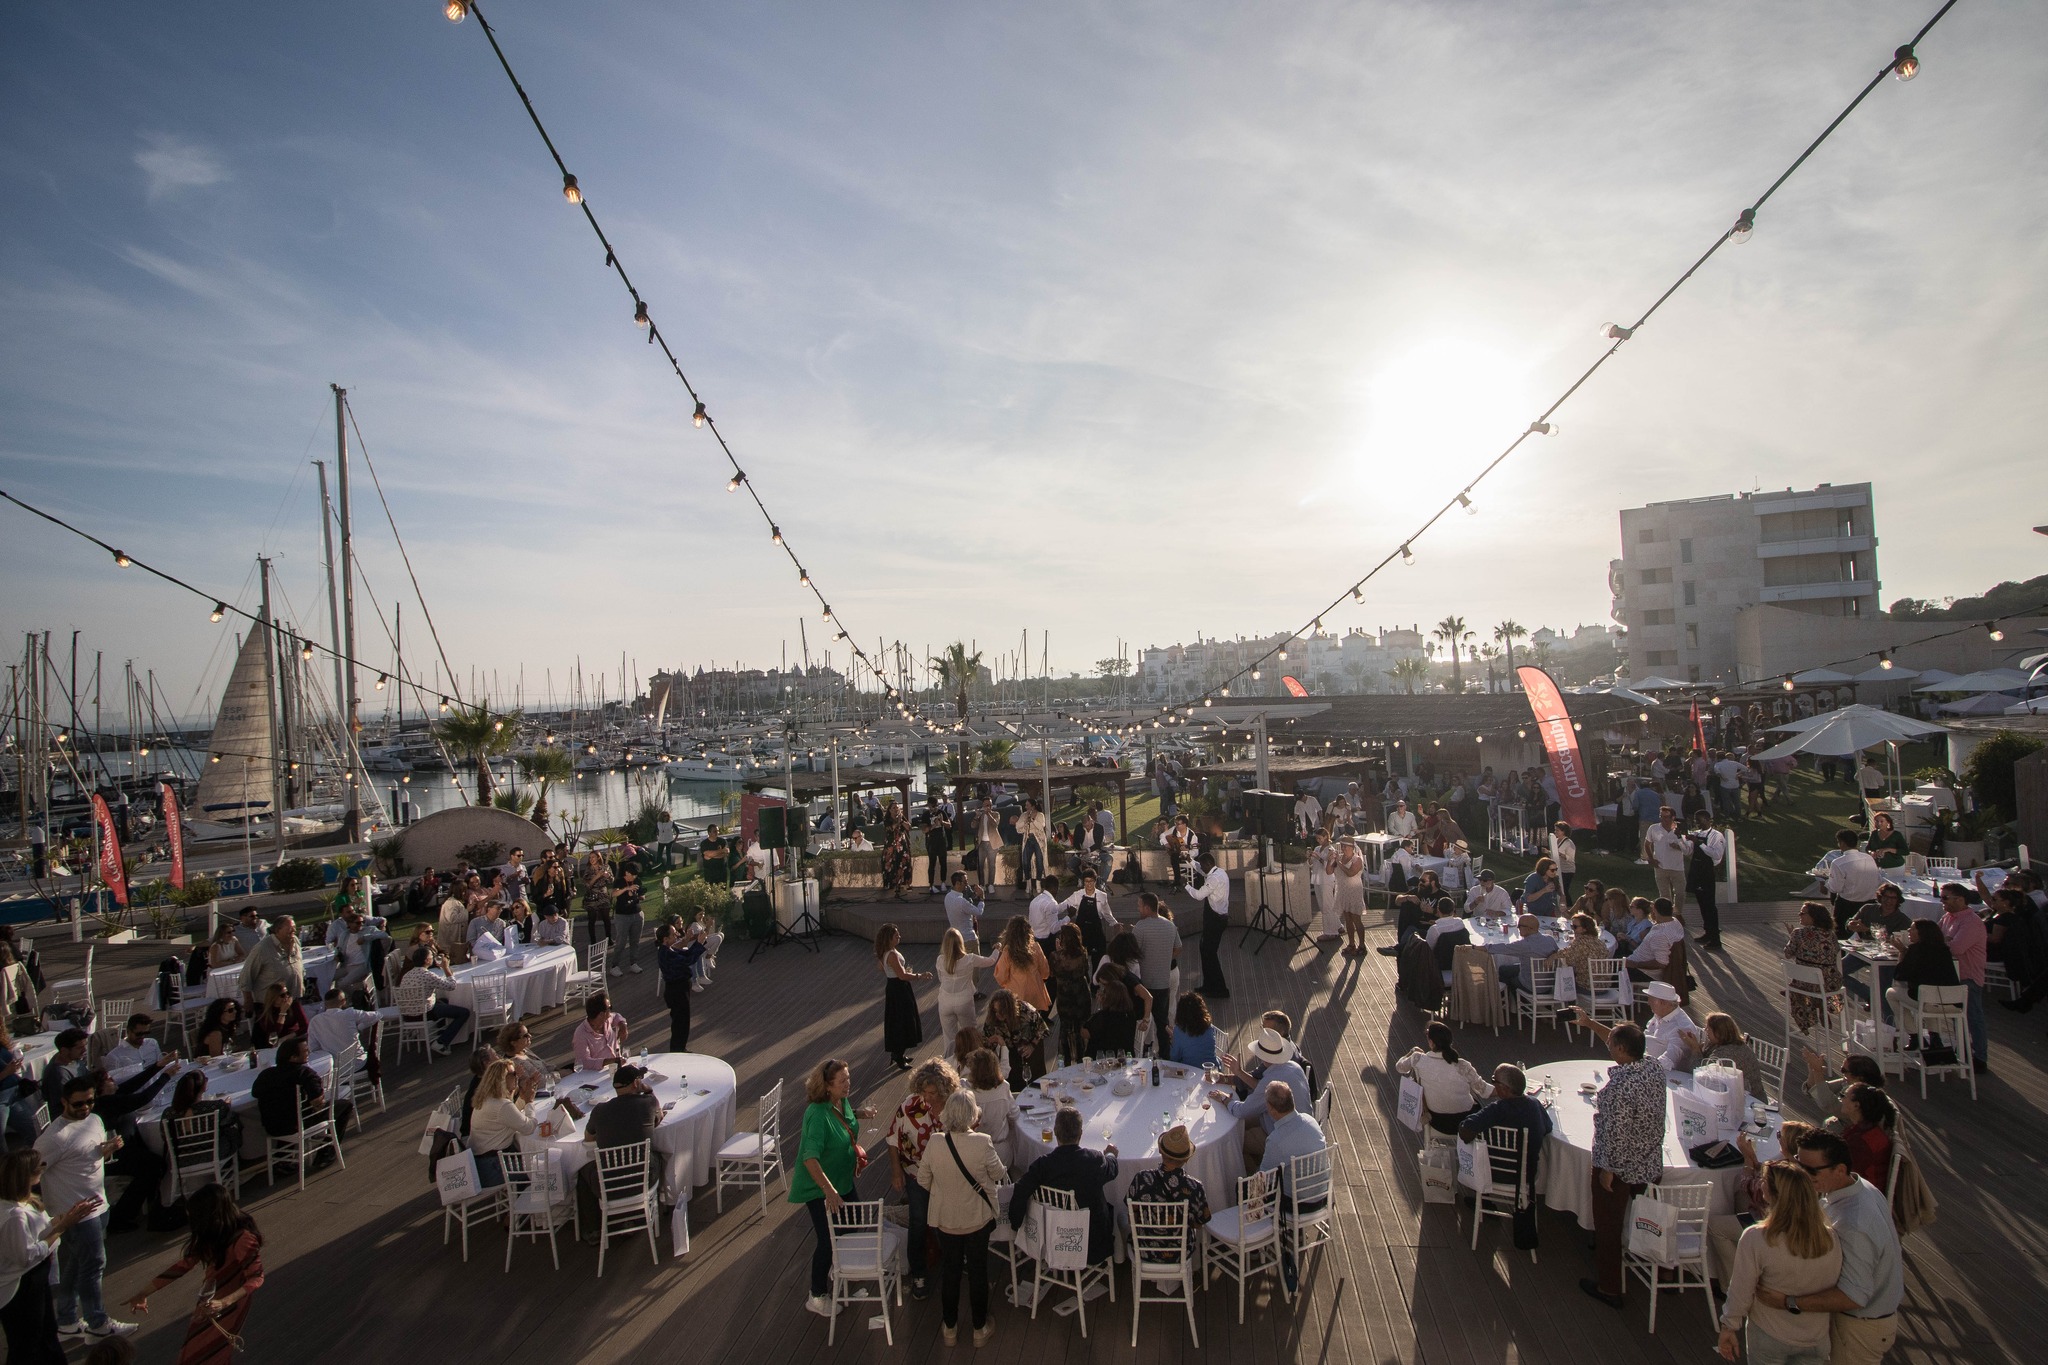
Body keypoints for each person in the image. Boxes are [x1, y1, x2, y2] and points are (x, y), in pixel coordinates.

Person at [1747, 1131, 1904, 1365]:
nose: (1801, 1174)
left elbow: (1854, 1296)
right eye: (1798, 1164)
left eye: (1811, 1171)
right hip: (1869, 1320)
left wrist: (1788, 1302)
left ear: (1839, 1170)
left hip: (1858, 1327)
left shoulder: (1853, 1223)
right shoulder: (1863, 1188)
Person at [1715, 1160, 1843, 1365]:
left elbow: (1741, 1289)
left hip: (1769, 1335)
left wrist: (1729, 1326)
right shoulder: (1829, 1238)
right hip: (1815, 1338)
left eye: (1764, 1180)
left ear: (1771, 1193)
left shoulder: (1757, 1238)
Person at [34, 1076, 132, 1338]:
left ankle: (65, 1320)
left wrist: (105, 1150)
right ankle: (97, 1323)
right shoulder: (53, 1138)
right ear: (64, 1102)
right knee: (93, 1265)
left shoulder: (94, 1121)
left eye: (90, 1101)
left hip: (99, 1203)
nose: (85, 1107)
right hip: (75, 1212)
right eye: (78, 1104)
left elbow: (88, 1154)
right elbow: (31, 1172)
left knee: (79, 1264)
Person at [1577, 1022, 1666, 1309]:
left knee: (1608, 1227)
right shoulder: (1653, 1069)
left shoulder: (1620, 1087)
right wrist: (1592, 1022)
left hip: (1620, 1170)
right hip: (1649, 1162)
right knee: (1652, 1219)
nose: (1609, 1046)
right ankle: (1663, 1272)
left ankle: (1610, 1287)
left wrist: (1608, 1170)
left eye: (1612, 1043)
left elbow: (1617, 1132)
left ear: (1621, 1050)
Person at [125, 1182, 265, 1363]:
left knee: (210, 1354)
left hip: (229, 1305)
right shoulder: (214, 1232)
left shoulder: (243, 1238)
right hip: (211, 1301)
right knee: (198, 1353)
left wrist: (224, 1302)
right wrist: (144, 1292)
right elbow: (183, 1265)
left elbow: (256, 1277)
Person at [916, 1089, 1007, 1346]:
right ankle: (979, 1328)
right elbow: (999, 1173)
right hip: (977, 1219)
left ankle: (950, 1328)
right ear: (971, 1115)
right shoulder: (982, 1141)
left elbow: (923, 1180)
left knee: (951, 1272)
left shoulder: (935, 1142)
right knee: (978, 1272)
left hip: (946, 1221)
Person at [791, 1058, 877, 1319]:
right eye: (842, 1081)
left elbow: (846, 1119)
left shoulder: (841, 1100)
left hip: (842, 1181)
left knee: (852, 1226)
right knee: (828, 1240)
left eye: (848, 1078)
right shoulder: (817, 1115)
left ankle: (843, 1274)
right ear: (827, 1087)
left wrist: (861, 1113)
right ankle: (816, 1295)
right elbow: (810, 1157)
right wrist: (828, 1191)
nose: (848, 1084)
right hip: (821, 1188)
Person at [0, 1149, 102, 1362]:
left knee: (46, 1337)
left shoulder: (24, 1203)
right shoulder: (14, 1216)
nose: (42, 1171)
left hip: (34, 1280)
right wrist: (62, 1227)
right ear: (25, 1176)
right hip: (21, 1286)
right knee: (27, 1345)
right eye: (38, 1169)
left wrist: (65, 1218)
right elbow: (26, 1256)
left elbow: (38, 1232)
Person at [1008, 1105, 1118, 1266]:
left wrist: (1016, 1224)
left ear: (1056, 1133)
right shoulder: (1093, 1160)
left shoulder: (1042, 1165)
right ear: (1081, 1133)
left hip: (1052, 1240)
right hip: (1092, 1245)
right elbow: (1112, 1169)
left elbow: (1020, 1189)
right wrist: (1110, 1154)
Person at [1457, 1064, 1551, 1249]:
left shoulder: (1497, 1110)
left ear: (1506, 1089)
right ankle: (1485, 1199)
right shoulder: (1535, 1105)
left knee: (1477, 1149)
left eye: (1495, 1081)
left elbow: (1465, 1130)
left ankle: (1483, 1197)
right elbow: (1548, 1128)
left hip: (1494, 1173)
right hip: (1527, 1174)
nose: (1493, 1084)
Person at [574, 1064, 661, 1242]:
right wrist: (649, 1090)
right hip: (642, 1180)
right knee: (659, 1155)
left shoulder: (600, 1110)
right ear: (637, 1083)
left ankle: (593, 1230)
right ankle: (653, 1209)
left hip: (608, 1185)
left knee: (582, 1170)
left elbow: (589, 1139)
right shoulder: (648, 1103)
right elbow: (658, 1119)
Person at [1221, 1029, 1313, 1169]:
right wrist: (1239, 1073)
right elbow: (1261, 1089)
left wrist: (1224, 1099)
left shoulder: (1270, 1079)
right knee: (1240, 1124)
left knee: (1234, 1143)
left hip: (1280, 1137)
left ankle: (1251, 1177)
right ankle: (1260, 1159)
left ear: (1261, 1055)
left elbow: (1242, 1111)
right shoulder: (1294, 1066)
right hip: (1303, 1128)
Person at [250, 1035, 348, 1146]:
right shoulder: (305, 1074)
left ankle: (283, 1158)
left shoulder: (266, 1074)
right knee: (345, 1105)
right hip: (297, 1126)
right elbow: (318, 1104)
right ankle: (326, 1153)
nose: (309, 1052)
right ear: (293, 1057)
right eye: (305, 1051)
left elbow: (255, 1093)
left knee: (286, 1113)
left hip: (272, 1127)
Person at [1396, 1022, 1491, 1135]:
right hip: (1467, 1121)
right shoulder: (1462, 1065)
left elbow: (1400, 1067)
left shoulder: (1418, 1059)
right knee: (1474, 1097)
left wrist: (1412, 1052)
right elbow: (1484, 1091)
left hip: (1438, 1121)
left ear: (1431, 1042)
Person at [1936, 881, 1989, 1074]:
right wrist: (1945, 940)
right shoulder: (1948, 918)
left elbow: (1957, 948)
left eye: (1944, 898)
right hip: (1952, 975)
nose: (1942, 901)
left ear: (1959, 899)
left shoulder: (1971, 922)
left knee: (1973, 1017)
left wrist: (1945, 941)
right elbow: (1936, 938)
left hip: (1968, 976)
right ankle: (1964, 1050)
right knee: (1957, 1017)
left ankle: (1980, 1057)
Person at [466, 1059, 537, 1187]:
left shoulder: (487, 1099)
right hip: (494, 1168)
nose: (517, 1076)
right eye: (513, 1074)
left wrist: (523, 1098)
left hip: (479, 1165)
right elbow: (529, 1128)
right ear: (502, 1079)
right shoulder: (501, 1105)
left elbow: (511, 1115)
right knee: (541, 1168)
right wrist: (529, 1102)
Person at [932, 928, 997, 1061]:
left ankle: (950, 1063)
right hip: (964, 1001)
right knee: (970, 1033)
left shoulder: (940, 960)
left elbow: (940, 979)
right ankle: (973, 1061)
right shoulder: (969, 959)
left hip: (945, 1001)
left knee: (949, 1038)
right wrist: (998, 949)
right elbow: (990, 961)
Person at [1782, 903, 1844, 1034]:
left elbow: (1788, 954)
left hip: (1804, 983)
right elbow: (1835, 953)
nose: (1799, 915)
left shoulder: (1798, 933)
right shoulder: (1831, 935)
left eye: (1802, 913)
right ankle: (1822, 1004)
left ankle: (1808, 1018)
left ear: (1813, 917)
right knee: (1818, 978)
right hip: (1829, 983)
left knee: (1798, 986)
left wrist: (1791, 937)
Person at [1128, 892, 1180, 1043]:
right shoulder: (1170, 925)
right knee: (1162, 1023)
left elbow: (1133, 952)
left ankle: (1146, 1050)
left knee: (1143, 1021)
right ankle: (1165, 1053)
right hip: (1163, 985)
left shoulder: (1140, 927)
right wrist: (1164, 958)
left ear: (1147, 907)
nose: (1138, 909)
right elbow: (1178, 948)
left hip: (1145, 985)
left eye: (1139, 906)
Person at [876, 924, 929, 1070]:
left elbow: (881, 968)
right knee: (902, 1020)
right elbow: (902, 975)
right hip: (899, 989)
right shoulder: (892, 955)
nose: (899, 937)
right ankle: (898, 1055)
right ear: (889, 938)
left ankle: (897, 1052)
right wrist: (920, 976)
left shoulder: (887, 952)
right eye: (896, 935)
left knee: (898, 1019)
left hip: (894, 987)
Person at [1185, 852, 1231, 998]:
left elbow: (1198, 895)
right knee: (1205, 951)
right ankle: (1209, 984)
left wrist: (1185, 886)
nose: (1202, 868)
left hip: (1215, 920)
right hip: (1216, 918)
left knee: (1209, 954)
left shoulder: (1214, 878)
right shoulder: (1219, 872)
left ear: (1208, 864)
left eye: (1202, 865)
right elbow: (1200, 869)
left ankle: (1220, 988)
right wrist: (1190, 861)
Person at [982, 990, 1048, 1091]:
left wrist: (1032, 1046)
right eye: (995, 1011)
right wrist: (992, 1043)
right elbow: (986, 1041)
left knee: (1036, 1080)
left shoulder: (1027, 1011)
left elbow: (1042, 1029)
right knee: (1013, 1082)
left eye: (1001, 1012)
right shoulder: (992, 1018)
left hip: (1030, 1048)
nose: (998, 1015)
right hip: (1009, 1052)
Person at [1836, 1081, 1897, 1189]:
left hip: (1862, 1196)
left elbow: (1844, 1175)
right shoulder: (1871, 1131)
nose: (1841, 1099)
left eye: (1843, 1095)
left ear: (1856, 1105)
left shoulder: (1861, 1142)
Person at [1048, 926, 1093, 1067]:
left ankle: (1064, 1061)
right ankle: (1082, 1059)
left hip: (1064, 995)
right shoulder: (1083, 953)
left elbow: (1052, 974)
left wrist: (1058, 950)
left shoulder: (1055, 956)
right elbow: (1085, 971)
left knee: (1065, 1028)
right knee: (1081, 1026)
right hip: (1081, 994)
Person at [963, 1049, 1016, 1168]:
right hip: (1001, 1152)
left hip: (974, 1151)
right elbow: (1015, 1115)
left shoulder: (964, 1088)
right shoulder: (1004, 1087)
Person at [1683, 810, 1728, 950]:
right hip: (1696, 870)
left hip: (1707, 873)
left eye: (1700, 819)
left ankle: (1715, 939)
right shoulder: (1696, 833)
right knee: (1702, 905)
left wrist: (1699, 844)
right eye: (1696, 820)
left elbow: (1716, 854)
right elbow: (1688, 852)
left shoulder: (1716, 835)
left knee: (1709, 906)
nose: (1697, 822)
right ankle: (1707, 932)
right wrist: (1681, 840)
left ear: (1708, 819)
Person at [991, 916, 1051, 1017]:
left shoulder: (1008, 951)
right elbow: (1045, 972)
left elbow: (1000, 976)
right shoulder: (1036, 947)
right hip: (1035, 994)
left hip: (1016, 996)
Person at [1695, 1013, 1767, 1098]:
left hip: (1750, 1099)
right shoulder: (1718, 1043)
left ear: (1718, 1032)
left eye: (1708, 1028)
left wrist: (1694, 1049)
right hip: (1732, 1092)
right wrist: (1699, 1051)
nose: (1705, 1030)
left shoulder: (1729, 1052)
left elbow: (1702, 1074)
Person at [1825, 831, 1884, 936]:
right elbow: (1878, 880)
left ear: (1842, 843)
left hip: (1848, 905)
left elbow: (1835, 888)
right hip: (1870, 903)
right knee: (1866, 936)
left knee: (1844, 937)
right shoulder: (1869, 858)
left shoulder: (1838, 863)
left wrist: (1826, 881)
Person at [235, 918, 301, 1009]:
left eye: (294, 927)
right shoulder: (262, 948)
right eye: (290, 928)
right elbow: (246, 976)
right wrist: (248, 1000)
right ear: (278, 930)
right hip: (270, 1005)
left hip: (293, 1000)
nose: (294, 930)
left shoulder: (295, 941)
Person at [1059, 870, 1118, 961]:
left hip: (1096, 931)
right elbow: (1062, 906)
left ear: (1095, 881)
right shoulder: (1077, 895)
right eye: (1086, 881)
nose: (1089, 884)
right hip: (1081, 932)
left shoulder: (1102, 896)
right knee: (1080, 959)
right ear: (1083, 882)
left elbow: (1107, 914)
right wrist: (1050, 909)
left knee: (1098, 959)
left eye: (1091, 881)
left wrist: (1115, 924)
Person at [1493, 914, 1559, 994]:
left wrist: (1478, 948)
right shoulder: (1549, 939)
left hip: (1530, 987)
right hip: (1549, 985)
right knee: (1505, 969)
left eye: (1519, 926)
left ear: (1529, 928)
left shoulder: (1524, 945)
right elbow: (1559, 953)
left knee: (1505, 974)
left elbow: (1502, 948)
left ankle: (1515, 1002)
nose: (1518, 928)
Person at [1626, 898, 1686, 985]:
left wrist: (1635, 964)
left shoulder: (1659, 935)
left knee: (1607, 971)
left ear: (1655, 911)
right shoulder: (1675, 922)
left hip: (1644, 972)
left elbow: (1661, 963)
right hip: (1638, 963)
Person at [1080, 977, 1137, 1058]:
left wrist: (1100, 1005)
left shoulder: (1103, 1016)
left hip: (1102, 1058)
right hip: (1125, 1057)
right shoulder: (1130, 1014)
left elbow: (1085, 1033)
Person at [571, 992, 630, 1070]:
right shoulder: (581, 1034)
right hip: (597, 1074)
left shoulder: (606, 1019)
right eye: (610, 1008)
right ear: (602, 1014)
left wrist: (623, 1026)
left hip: (617, 1068)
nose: (611, 1011)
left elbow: (616, 1016)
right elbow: (584, 1062)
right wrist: (611, 1061)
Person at [1644, 806, 1689, 907]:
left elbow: (1687, 848)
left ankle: (1678, 913)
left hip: (1677, 867)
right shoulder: (1654, 828)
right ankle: (1668, 916)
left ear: (1673, 817)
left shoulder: (1680, 829)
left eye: (1666, 817)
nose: (1663, 819)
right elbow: (1647, 844)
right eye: (1661, 816)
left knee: (1680, 893)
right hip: (1660, 866)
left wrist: (1678, 846)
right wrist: (1651, 859)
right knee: (1664, 896)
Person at [1169, 992, 1219, 1067]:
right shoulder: (1208, 1027)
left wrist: (1172, 1041)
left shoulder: (1179, 1030)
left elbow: (1174, 1057)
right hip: (1212, 1069)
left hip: (1191, 1071)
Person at [941, 873, 985, 955]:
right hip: (969, 939)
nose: (967, 885)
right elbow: (979, 911)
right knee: (975, 966)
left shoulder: (948, 897)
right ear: (957, 883)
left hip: (956, 939)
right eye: (965, 882)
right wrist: (982, 898)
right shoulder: (961, 901)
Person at [883, 800, 915, 902]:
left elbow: (909, 827)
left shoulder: (902, 817)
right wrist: (897, 822)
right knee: (892, 864)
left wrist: (901, 821)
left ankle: (905, 884)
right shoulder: (887, 819)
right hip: (891, 846)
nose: (896, 809)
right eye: (894, 808)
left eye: (897, 807)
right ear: (890, 810)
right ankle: (893, 885)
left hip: (902, 844)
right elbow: (890, 829)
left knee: (904, 863)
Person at [1549, 823, 1578, 902]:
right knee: (1557, 888)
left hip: (1568, 870)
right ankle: (1560, 904)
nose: (1555, 832)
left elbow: (1571, 858)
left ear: (1563, 831)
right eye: (1555, 830)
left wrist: (1561, 855)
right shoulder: (1556, 840)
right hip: (1558, 869)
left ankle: (1569, 905)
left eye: (1557, 830)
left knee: (1564, 889)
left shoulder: (1569, 843)